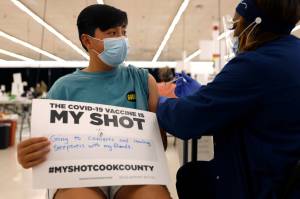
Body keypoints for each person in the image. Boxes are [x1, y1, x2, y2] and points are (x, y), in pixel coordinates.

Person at [17, 4, 171, 199]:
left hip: (134, 173)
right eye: (112, 33)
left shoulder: (142, 80)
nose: (121, 40)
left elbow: (160, 145)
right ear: (87, 40)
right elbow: (44, 148)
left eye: (124, 32)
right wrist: (30, 154)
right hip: (78, 174)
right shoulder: (64, 88)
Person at [157, 0, 300, 198]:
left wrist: (159, 102)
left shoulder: (254, 64)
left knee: (190, 177)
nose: (233, 33)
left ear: (254, 24)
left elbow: (187, 121)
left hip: (262, 183)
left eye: (235, 25)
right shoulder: (292, 54)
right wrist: (208, 96)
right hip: (288, 173)